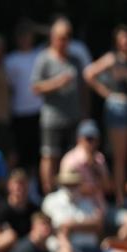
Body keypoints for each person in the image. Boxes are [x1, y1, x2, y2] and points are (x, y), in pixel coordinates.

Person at [43, 170, 124, 252]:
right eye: (68, 184)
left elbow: (98, 225)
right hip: (63, 248)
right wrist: (83, 226)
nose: (72, 187)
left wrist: (71, 225)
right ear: (61, 184)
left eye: (74, 184)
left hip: (92, 249)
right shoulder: (51, 201)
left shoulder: (87, 201)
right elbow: (55, 229)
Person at [32, 17, 85, 195]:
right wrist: (58, 83)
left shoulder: (75, 60)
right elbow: (36, 87)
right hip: (52, 117)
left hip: (74, 115)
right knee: (50, 155)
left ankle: (71, 194)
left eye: (67, 37)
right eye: (61, 37)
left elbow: (83, 89)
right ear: (53, 37)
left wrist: (85, 112)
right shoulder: (44, 59)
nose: (64, 41)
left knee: (73, 156)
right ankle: (48, 195)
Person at [84, 25, 127, 206]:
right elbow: (89, 73)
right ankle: (119, 197)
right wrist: (107, 93)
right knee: (120, 156)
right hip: (119, 107)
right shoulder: (112, 58)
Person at [5, 19, 42, 170]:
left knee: (39, 150)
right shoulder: (10, 59)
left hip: (39, 109)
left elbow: (54, 33)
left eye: (27, 35)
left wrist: (35, 27)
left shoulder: (40, 54)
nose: (25, 39)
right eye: (21, 36)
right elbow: (9, 87)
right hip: (19, 110)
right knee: (21, 151)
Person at [60, 119, 111, 205]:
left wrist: (95, 168)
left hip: (99, 206)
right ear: (79, 139)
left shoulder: (99, 158)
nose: (92, 143)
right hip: (76, 206)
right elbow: (67, 187)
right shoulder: (70, 159)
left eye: (95, 139)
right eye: (88, 139)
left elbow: (108, 187)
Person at [0, 169, 39, 252]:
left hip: (29, 250)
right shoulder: (1, 208)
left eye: (23, 184)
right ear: (9, 186)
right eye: (17, 183)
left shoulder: (34, 209)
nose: (20, 188)